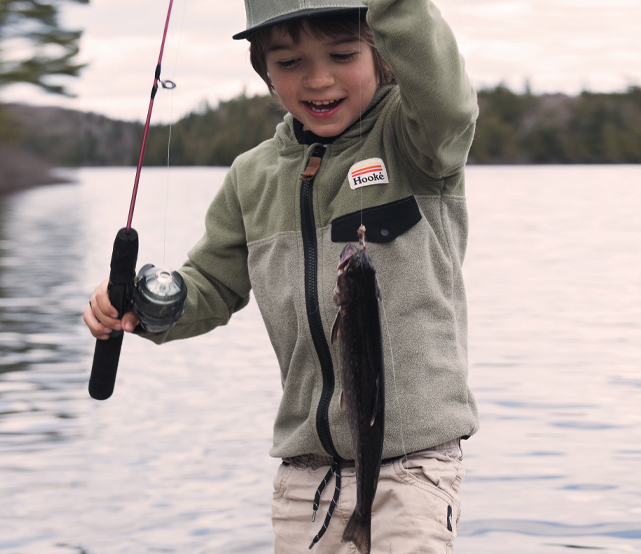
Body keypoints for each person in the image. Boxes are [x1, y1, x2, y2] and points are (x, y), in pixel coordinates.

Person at [84, 0, 479, 551]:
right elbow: (212, 285)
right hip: (304, 479)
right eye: (290, 62)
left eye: (343, 55)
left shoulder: (416, 142)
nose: (318, 79)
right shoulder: (252, 176)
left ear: (383, 53)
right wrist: (149, 306)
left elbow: (445, 95)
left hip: (411, 469)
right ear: (264, 70)